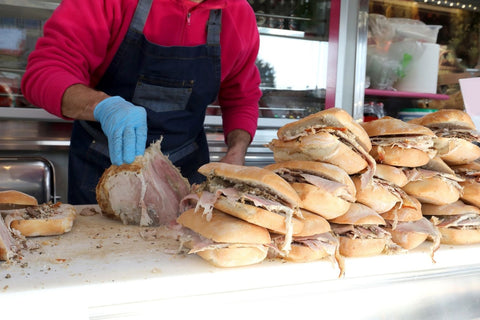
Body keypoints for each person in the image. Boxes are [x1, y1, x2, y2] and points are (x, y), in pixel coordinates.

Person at [21, 0, 262, 204]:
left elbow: (242, 97)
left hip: (187, 174)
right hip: (103, 167)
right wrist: (105, 107)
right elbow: (45, 71)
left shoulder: (238, 14)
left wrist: (237, 152)